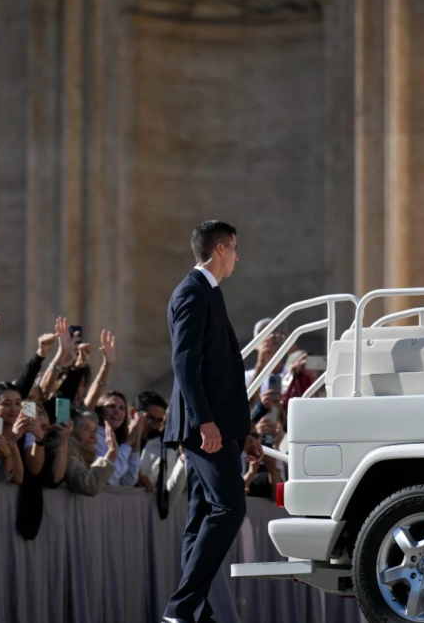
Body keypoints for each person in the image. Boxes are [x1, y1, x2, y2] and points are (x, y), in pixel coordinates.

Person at [163, 220, 262, 623]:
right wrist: (205, 423)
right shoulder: (192, 292)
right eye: (235, 248)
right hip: (206, 430)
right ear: (220, 249)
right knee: (229, 508)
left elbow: (220, 370)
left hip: (221, 429)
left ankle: (191, 614)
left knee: (202, 517)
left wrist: (245, 432)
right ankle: (182, 607)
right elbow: (184, 363)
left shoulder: (208, 293)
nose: (238, 257)